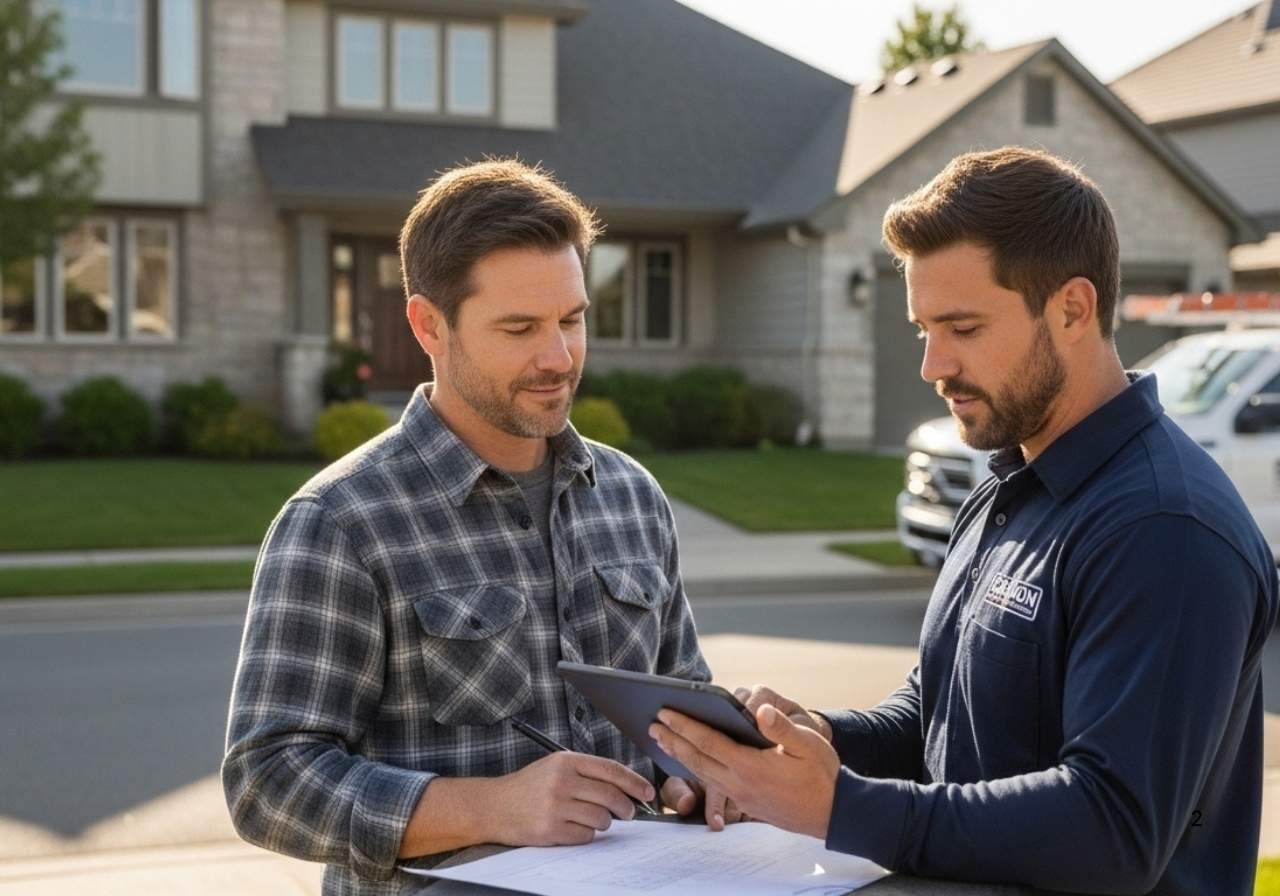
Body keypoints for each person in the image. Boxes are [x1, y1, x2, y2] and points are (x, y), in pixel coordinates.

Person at [650, 146, 1278, 895]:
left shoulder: (1165, 529)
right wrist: (810, 743)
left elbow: (1112, 831)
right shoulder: (1011, 485)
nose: (932, 365)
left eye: (964, 328)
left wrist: (840, 807)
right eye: (924, 330)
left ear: (1072, 308)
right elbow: (937, 719)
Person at [223, 159, 724, 896]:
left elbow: (682, 710)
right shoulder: (341, 523)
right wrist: (493, 807)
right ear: (430, 325)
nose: (559, 357)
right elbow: (268, 782)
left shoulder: (632, 497)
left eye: (572, 320)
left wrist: (701, 777)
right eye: (520, 327)